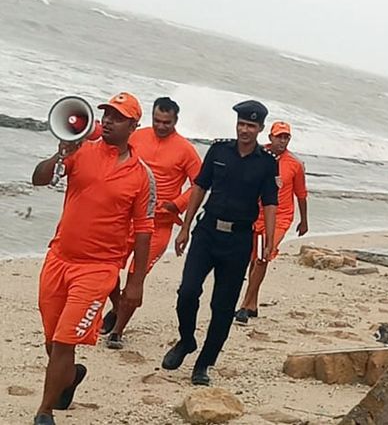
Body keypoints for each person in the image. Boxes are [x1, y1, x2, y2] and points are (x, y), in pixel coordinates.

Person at [31, 93, 155, 425]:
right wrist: (60, 152)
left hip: (98, 269)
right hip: (58, 259)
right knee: (51, 340)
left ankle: (44, 411)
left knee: (63, 341)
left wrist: (135, 283)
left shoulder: (141, 175)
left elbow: (144, 231)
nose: (110, 120)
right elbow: (39, 179)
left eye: (118, 116)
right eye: (107, 114)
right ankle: (69, 379)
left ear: (133, 125)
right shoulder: (81, 150)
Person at [161, 100, 278, 386]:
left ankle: (203, 364)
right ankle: (186, 340)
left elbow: (271, 204)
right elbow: (199, 187)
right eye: (241, 124)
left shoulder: (266, 163)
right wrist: (185, 228)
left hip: (239, 241)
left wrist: (270, 243)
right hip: (207, 233)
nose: (244, 130)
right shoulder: (218, 150)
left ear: (260, 129)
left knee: (223, 308)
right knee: (187, 292)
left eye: (251, 125)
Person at [99, 97, 202, 349]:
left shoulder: (186, 150)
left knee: (137, 276)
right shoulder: (137, 136)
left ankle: (118, 331)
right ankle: (116, 305)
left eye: (167, 122)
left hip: (159, 224)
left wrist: (177, 204)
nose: (161, 126)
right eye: (157, 120)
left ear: (176, 121)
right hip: (126, 219)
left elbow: (199, 185)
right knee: (108, 271)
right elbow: (112, 157)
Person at [234, 121, 309, 325]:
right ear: (270, 137)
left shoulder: (295, 164)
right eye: (279, 136)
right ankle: (253, 305)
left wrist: (304, 221)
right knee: (253, 258)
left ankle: (243, 305)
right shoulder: (257, 155)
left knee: (262, 257)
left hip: (279, 218)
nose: (282, 141)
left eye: (286, 137)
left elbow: (301, 194)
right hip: (254, 214)